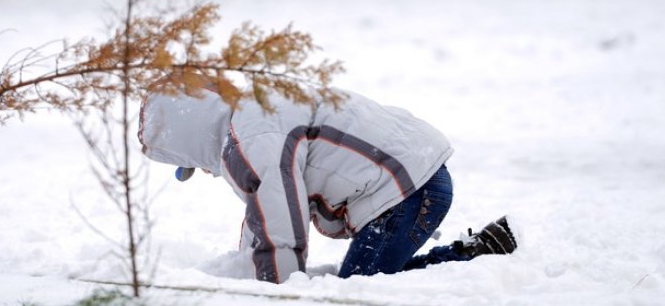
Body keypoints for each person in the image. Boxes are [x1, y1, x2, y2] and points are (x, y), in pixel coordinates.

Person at [138, 80, 517, 283]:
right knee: (374, 280)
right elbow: (265, 212)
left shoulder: (249, 139)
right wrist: (243, 268)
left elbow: (279, 221)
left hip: (405, 193)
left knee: (362, 291)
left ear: (189, 137)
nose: (204, 171)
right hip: (415, 174)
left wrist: (275, 291)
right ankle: (475, 254)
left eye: (193, 164)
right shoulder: (258, 108)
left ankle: (471, 259)